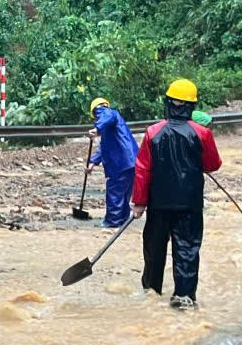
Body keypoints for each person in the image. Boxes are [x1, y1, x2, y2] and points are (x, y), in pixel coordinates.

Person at [131, 80, 222, 309]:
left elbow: (142, 169)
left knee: (154, 248)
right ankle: (184, 296)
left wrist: (139, 203)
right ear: (192, 104)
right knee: (187, 250)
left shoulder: (153, 132)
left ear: (168, 101)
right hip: (189, 205)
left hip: (158, 204)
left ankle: (151, 292)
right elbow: (213, 164)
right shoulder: (202, 134)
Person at [85, 98, 138, 227]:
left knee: (115, 191)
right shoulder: (110, 128)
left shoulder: (108, 113)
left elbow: (108, 115)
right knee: (124, 193)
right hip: (132, 161)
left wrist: (97, 129)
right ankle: (122, 219)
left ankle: (112, 221)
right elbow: (104, 147)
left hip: (121, 162)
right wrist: (92, 163)